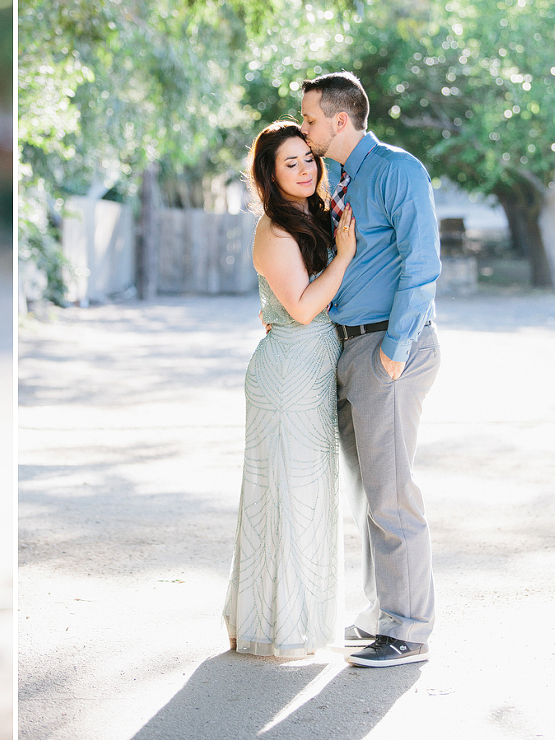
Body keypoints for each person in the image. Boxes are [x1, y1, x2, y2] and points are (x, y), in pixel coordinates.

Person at [299, 72, 441, 668]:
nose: (304, 133)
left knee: (391, 494)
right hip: (350, 347)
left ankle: (407, 631)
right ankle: (382, 611)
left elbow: (423, 262)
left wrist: (395, 349)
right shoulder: (342, 179)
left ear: (339, 119)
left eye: (308, 120)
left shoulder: (398, 171)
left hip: (389, 347)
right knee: (368, 493)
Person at [223, 120, 356, 657]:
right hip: (287, 377)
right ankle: (275, 625)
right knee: (284, 497)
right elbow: (300, 309)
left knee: (310, 499)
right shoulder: (273, 230)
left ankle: (300, 619)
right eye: (291, 163)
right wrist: (343, 256)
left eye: (308, 158)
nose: (304, 169)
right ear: (269, 175)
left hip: (314, 372)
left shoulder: (316, 214)